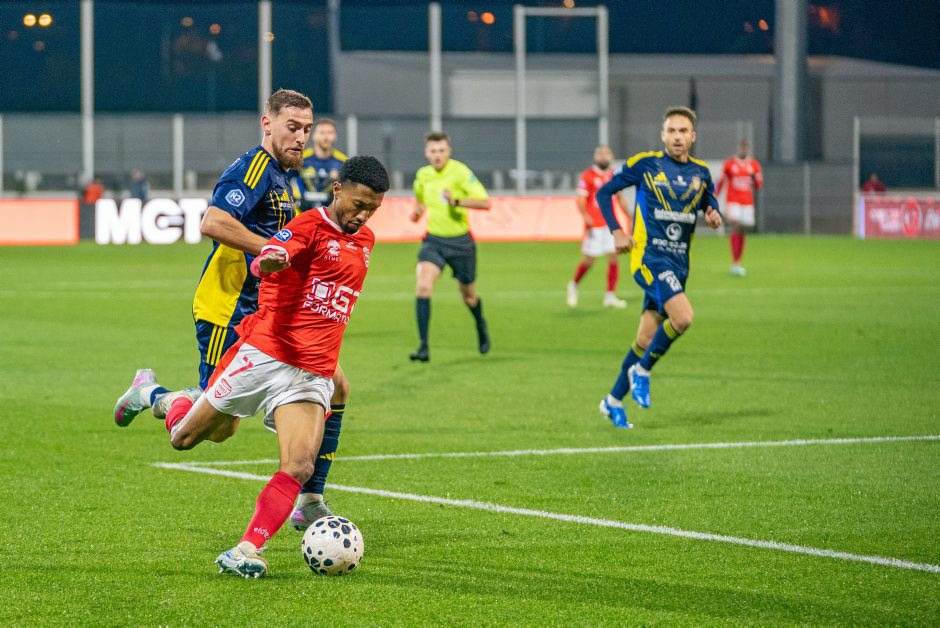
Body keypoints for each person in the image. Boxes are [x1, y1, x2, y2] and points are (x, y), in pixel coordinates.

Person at [128, 156, 388, 578]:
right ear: (337, 189)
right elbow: (269, 253)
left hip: (310, 373)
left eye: (372, 208)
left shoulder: (366, 240)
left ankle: (245, 548)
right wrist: (268, 260)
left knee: (299, 465)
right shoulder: (308, 226)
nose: (363, 215)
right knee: (184, 439)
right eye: (358, 204)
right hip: (264, 356)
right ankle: (159, 396)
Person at [113, 89, 348, 530]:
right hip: (228, 310)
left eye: (306, 129)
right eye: (292, 127)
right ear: (267, 124)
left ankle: (310, 500)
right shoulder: (253, 168)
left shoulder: (283, 177)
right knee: (217, 429)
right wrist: (272, 249)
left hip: (268, 314)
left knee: (335, 383)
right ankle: (154, 395)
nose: (301, 138)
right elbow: (214, 222)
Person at [595, 106, 722, 429]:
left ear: (693, 136)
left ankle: (612, 402)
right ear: (663, 135)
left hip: (679, 264)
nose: (677, 137)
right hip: (649, 258)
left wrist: (713, 213)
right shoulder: (646, 164)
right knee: (684, 318)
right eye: (672, 131)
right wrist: (616, 231)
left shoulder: (701, 172)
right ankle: (642, 371)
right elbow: (604, 192)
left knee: (645, 337)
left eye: (683, 131)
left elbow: (709, 200)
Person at [408, 131, 491, 362]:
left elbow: (485, 202)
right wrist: (417, 213)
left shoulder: (460, 172)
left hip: (461, 242)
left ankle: (480, 323)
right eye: (433, 151)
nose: (437, 155)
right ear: (427, 153)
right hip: (433, 241)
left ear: (449, 151)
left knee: (469, 297)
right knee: (423, 287)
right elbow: (420, 201)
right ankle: (423, 347)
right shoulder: (423, 175)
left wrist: (456, 201)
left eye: (442, 150)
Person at [567, 145, 630, 309]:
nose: (604, 157)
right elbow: (580, 200)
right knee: (589, 261)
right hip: (594, 226)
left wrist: (629, 215)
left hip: (611, 224)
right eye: (600, 154)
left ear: (611, 157)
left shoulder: (614, 175)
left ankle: (610, 296)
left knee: (614, 257)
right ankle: (573, 285)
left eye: (606, 154)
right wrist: (585, 216)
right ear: (595, 157)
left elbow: (620, 197)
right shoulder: (588, 176)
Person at [716, 139, 762, 276]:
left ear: (748, 149)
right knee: (735, 226)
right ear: (738, 148)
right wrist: (714, 196)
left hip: (747, 203)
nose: (743, 150)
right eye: (741, 148)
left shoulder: (754, 165)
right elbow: (721, 181)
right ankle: (735, 263)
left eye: (745, 148)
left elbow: (759, 185)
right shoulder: (729, 164)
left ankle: (737, 262)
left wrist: (754, 178)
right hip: (733, 202)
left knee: (742, 230)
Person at [289, 118, 347, 211]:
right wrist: (292, 202)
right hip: (301, 213)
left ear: (335, 136)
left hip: (331, 214)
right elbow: (285, 180)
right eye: (322, 132)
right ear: (313, 135)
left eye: (330, 132)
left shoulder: (343, 162)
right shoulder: (300, 158)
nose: (326, 136)